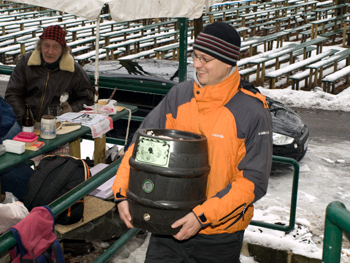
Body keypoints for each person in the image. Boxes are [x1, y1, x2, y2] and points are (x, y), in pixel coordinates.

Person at [112, 21, 273, 262]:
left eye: (205, 59)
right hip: (167, 225)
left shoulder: (251, 111)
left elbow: (253, 181)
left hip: (218, 234)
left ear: (228, 61)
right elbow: (141, 145)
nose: (197, 65)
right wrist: (123, 192)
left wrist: (202, 216)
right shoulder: (180, 95)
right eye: (195, 56)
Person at [5, 25, 94, 129]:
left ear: (63, 49)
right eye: (46, 45)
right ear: (40, 46)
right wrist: (28, 121)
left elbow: (87, 99)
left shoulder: (73, 70)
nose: (50, 51)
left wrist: (71, 109)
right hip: (23, 122)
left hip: (58, 125)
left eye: (55, 47)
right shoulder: (26, 62)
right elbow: (12, 94)